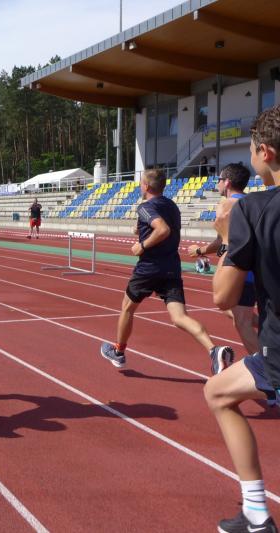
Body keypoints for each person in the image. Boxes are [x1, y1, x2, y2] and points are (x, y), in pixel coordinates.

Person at [205, 107, 280, 533]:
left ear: (265, 152)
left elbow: (222, 297)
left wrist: (227, 241)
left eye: (251, 151)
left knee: (217, 394)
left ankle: (255, 512)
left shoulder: (253, 208)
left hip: (279, 345)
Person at [100, 169, 234, 374]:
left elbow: (163, 229)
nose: (140, 186)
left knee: (127, 308)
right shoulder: (172, 206)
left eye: (141, 183)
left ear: (146, 186)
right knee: (180, 317)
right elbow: (162, 228)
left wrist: (142, 245)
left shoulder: (145, 206)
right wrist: (141, 229)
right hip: (171, 268)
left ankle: (118, 351)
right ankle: (214, 350)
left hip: (148, 268)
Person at [187, 163, 259, 356]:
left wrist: (201, 251)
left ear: (227, 182)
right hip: (257, 269)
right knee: (237, 313)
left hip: (239, 269)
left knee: (241, 322)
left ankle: (268, 366)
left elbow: (223, 241)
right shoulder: (253, 202)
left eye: (218, 179)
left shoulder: (226, 205)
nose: (217, 183)